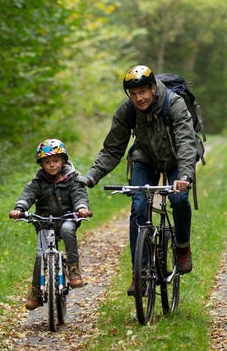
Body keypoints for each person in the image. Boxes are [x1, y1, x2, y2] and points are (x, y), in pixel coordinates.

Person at [79, 65, 197, 295]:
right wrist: (92, 175)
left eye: (142, 92)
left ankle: (182, 246)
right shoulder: (127, 111)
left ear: (153, 88)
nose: (138, 98)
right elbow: (112, 149)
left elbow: (185, 143)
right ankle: (139, 272)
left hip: (175, 159)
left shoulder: (174, 104)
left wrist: (184, 176)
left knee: (179, 199)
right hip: (145, 158)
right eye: (133, 94)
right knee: (139, 206)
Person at [9, 138, 92, 310]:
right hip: (44, 222)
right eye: (47, 162)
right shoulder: (38, 181)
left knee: (69, 230)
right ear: (41, 164)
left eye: (55, 160)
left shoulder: (72, 178)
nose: (52, 165)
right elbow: (28, 195)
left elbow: (79, 195)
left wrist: (81, 208)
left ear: (63, 160)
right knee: (40, 255)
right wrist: (19, 208)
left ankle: (73, 267)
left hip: (67, 218)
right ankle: (35, 290)